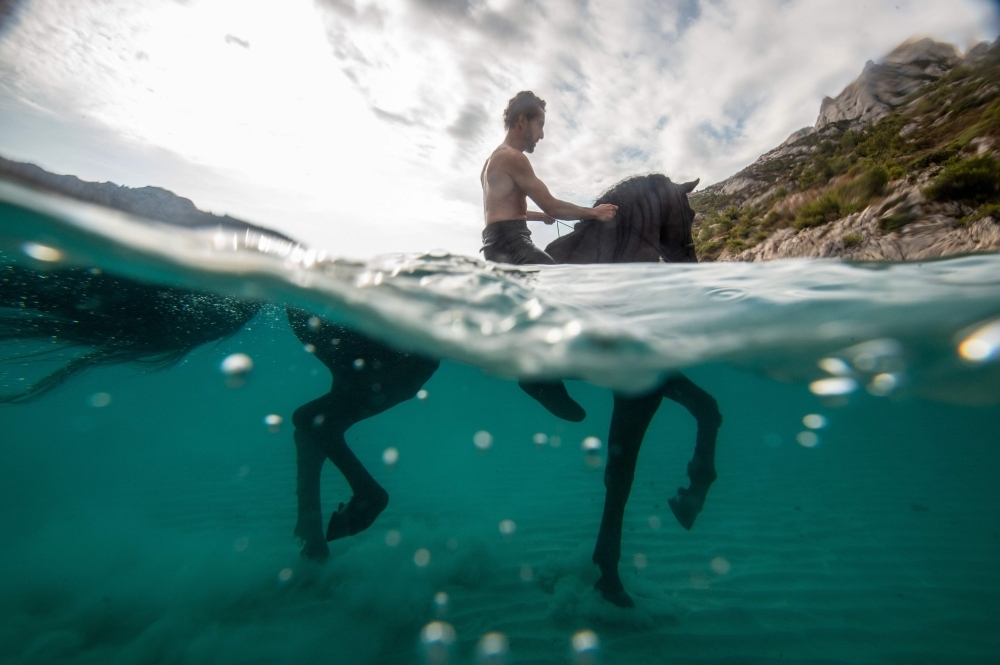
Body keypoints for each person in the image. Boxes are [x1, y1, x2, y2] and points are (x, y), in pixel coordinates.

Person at [480, 91, 618, 264]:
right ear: (523, 120)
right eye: (540, 125)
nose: (542, 135)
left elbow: (505, 214)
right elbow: (553, 207)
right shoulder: (513, 157)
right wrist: (595, 212)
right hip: (512, 246)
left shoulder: (489, 163)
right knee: (557, 284)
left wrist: (542, 217)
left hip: (493, 247)